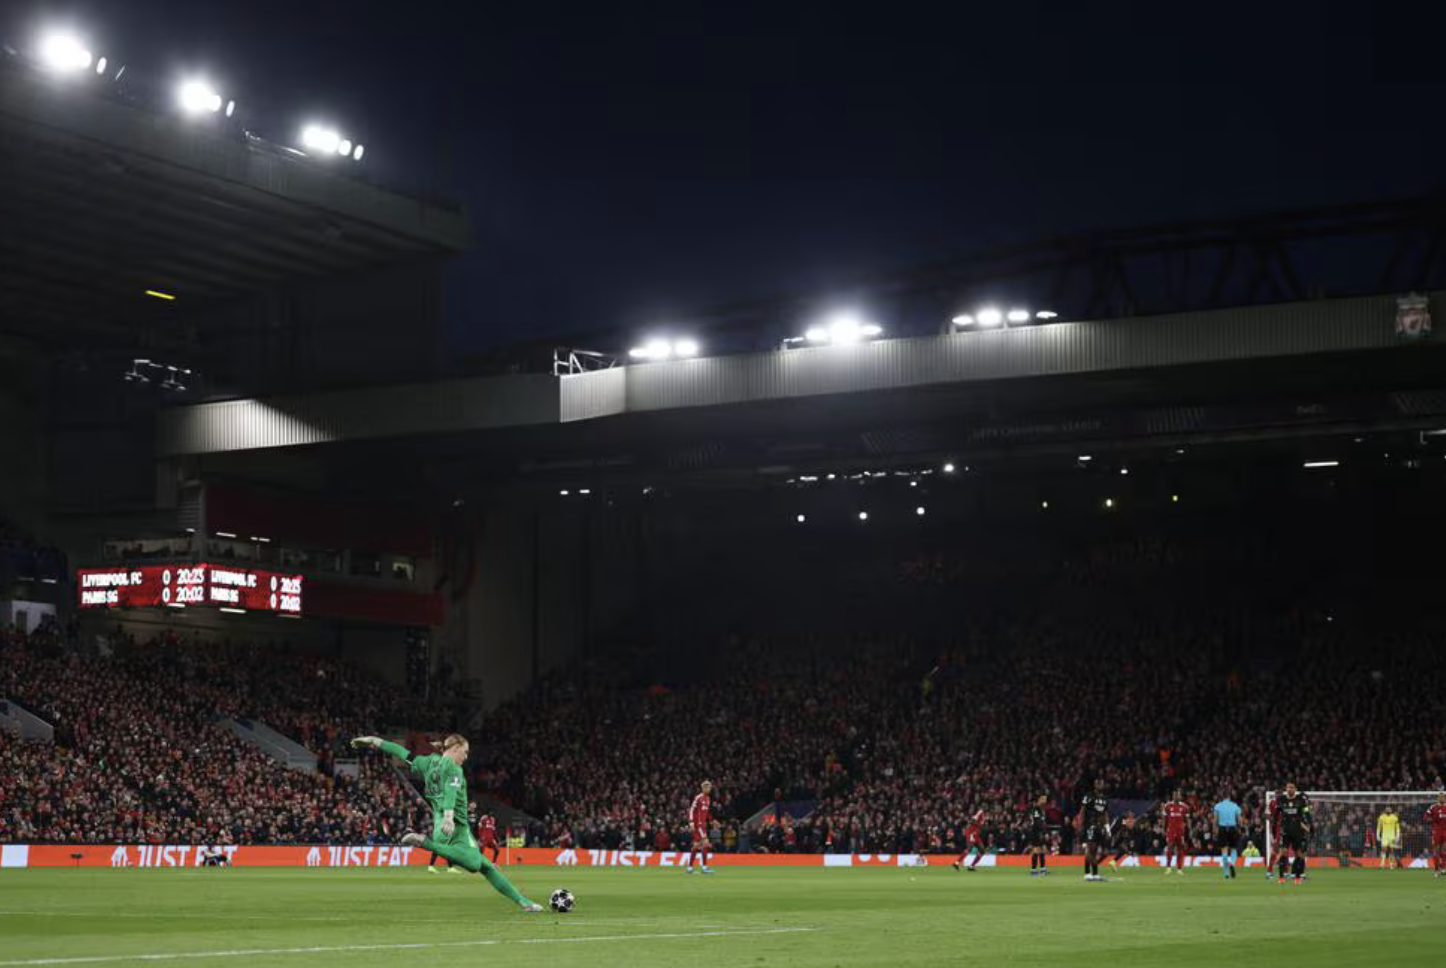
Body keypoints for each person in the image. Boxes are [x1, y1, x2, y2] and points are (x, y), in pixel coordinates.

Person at [352, 734, 542, 912]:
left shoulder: (427, 762)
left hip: (440, 827)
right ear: (455, 748)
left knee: (487, 867)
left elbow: (401, 752)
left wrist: (374, 741)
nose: (465, 757)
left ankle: (523, 902)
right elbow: (451, 791)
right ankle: (424, 842)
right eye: (465, 752)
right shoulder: (454, 767)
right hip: (455, 827)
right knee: (475, 863)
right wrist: (450, 817)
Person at [1271, 782, 1312, 885]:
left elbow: (1307, 813)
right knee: (1283, 852)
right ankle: (1281, 877)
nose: (1290, 789)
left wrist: (1311, 825)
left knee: (1298, 853)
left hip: (1297, 831)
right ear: (1286, 789)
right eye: (1288, 787)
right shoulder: (1281, 800)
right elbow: (1276, 815)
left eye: (1292, 787)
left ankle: (1297, 877)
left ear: (1295, 789)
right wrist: (1273, 827)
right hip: (1285, 830)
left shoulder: (1301, 800)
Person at [1078, 778, 1110, 882]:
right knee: (1090, 849)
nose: (1100, 785)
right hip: (1090, 826)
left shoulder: (1105, 799)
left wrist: (1107, 828)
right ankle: (1087, 873)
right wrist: (1080, 825)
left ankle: (1095, 874)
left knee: (1095, 851)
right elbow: (1082, 811)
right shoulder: (1089, 796)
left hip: (1100, 828)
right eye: (1098, 783)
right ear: (1095, 785)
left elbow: (1105, 814)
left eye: (1101, 783)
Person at [1212, 793, 1243, 880]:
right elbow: (1239, 819)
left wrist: (1214, 829)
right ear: (1229, 797)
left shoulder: (1218, 806)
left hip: (1222, 828)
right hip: (1232, 828)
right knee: (1233, 849)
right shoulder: (1235, 806)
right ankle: (1232, 863)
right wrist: (1241, 827)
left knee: (1224, 850)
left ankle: (1226, 873)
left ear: (1222, 797)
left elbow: (1215, 819)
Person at [686, 780, 714, 874]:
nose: (708, 789)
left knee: (696, 845)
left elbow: (706, 812)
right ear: (702, 788)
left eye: (709, 787)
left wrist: (711, 820)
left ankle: (690, 868)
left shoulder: (708, 799)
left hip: (703, 825)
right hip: (698, 825)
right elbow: (691, 810)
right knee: (705, 843)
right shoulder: (698, 798)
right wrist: (691, 822)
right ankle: (704, 867)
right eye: (706, 787)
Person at [1162, 793, 1190, 875]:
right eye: (1175, 795)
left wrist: (1188, 829)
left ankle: (1179, 868)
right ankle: (1168, 867)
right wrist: (1163, 829)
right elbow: (1164, 819)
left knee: (1180, 848)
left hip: (1180, 831)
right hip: (1171, 830)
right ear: (1173, 796)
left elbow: (1187, 819)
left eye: (1178, 795)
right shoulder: (1167, 806)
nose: (1176, 797)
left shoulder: (1185, 807)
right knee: (1170, 846)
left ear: (1180, 797)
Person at [1025, 795, 1051, 877]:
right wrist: (1044, 832)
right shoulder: (1036, 809)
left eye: (1045, 799)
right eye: (1043, 799)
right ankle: (1033, 870)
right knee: (1036, 850)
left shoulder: (1041, 810)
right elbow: (1037, 823)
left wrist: (1045, 832)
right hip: (1036, 832)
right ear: (1039, 800)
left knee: (1042, 850)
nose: (1045, 800)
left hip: (1040, 832)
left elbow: (1043, 823)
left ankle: (1042, 870)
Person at [1424, 792, 1446, 878]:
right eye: (1440, 797)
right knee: (1436, 851)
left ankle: (1443, 867)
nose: (1442, 798)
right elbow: (1425, 816)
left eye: (1443, 797)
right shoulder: (1433, 807)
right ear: (1438, 798)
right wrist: (1430, 819)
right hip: (1436, 831)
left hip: (1445, 831)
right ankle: (1436, 870)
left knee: (1443, 850)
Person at [1376, 806, 1402, 870]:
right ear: (1385, 810)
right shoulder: (1381, 817)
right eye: (1387, 809)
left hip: (1392, 836)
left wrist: (1397, 836)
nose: (1388, 810)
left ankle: (1391, 865)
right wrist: (1377, 835)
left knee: (1391, 850)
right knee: (1383, 849)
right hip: (1384, 836)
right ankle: (1382, 864)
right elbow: (1379, 827)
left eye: (1389, 809)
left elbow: (1397, 828)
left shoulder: (1395, 818)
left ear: (1391, 810)